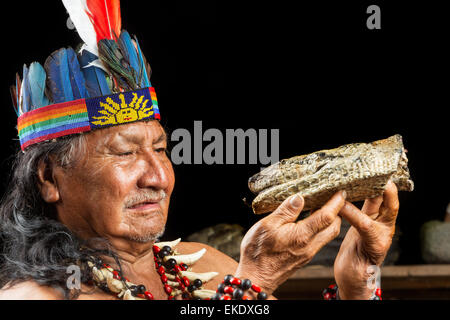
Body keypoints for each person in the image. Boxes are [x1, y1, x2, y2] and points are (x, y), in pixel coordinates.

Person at [0, 0, 399, 300]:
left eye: (161, 148)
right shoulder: (31, 296)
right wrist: (251, 284)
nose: (158, 176)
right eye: (124, 153)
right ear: (51, 178)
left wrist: (358, 284)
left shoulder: (206, 265)